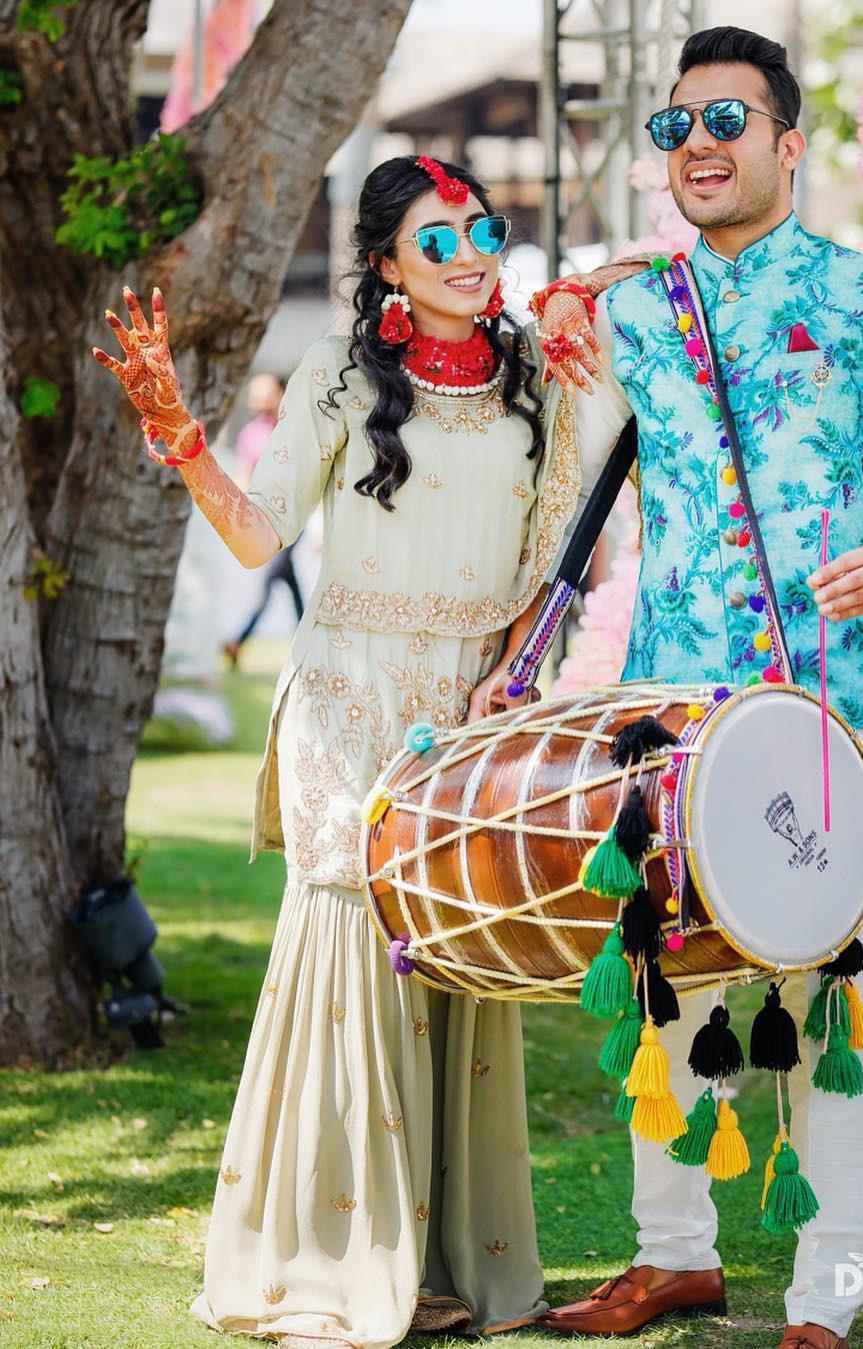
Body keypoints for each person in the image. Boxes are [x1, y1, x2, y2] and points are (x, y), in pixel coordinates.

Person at [520, 27, 863, 1349]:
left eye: (729, 119)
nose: (701, 145)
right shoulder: (627, 315)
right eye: (677, 128)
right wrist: (561, 316)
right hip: (669, 721)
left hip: (833, 716)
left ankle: (826, 1298)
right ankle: (669, 1257)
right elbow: (556, 482)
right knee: (664, 991)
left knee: (828, 998)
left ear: (791, 143)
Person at [92, 154, 608, 1349]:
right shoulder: (336, 371)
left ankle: (449, 1263)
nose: (473, 252)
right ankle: (334, 1263)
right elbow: (264, 526)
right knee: (359, 971)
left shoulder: (536, 371)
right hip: (349, 700)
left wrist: (509, 677)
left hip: (473, 714)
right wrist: (182, 439)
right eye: (439, 239)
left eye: (481, 228)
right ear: (382, 263)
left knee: (460, 967)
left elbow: (554, 555)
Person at [222, 372, 308, 669]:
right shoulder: (252, 433)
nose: (257, 400)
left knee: (274, 579)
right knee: (284, 579)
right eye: (254, 394)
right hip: (264, 521)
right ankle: (305, 640)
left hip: (295, 518)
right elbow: (244, 476)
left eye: (264, 393)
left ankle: (239, 641)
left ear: (281, 393)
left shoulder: (297, 426)